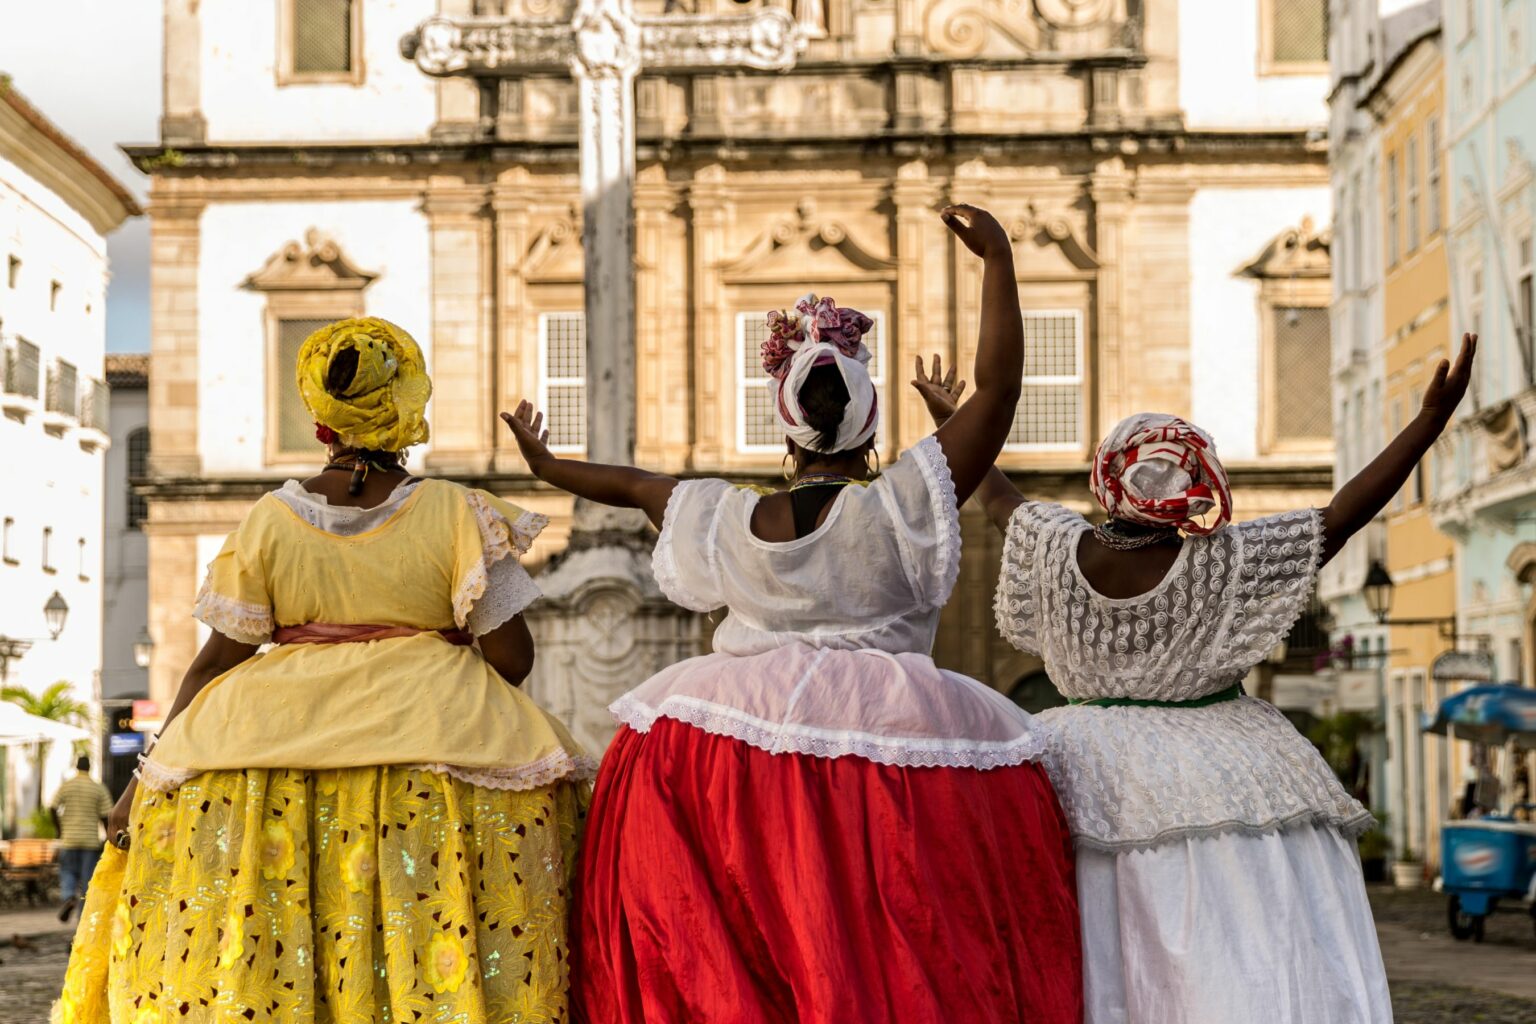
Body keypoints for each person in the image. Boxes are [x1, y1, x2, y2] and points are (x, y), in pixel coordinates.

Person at [502, 205, 1083, 1024]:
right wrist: (996, 259)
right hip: (894, 735)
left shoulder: (723, 516)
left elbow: (633, 483)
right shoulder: (901, 502)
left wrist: (549, 463)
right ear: (870, 421)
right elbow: (1002, 390)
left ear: (787, 424)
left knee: (756, 933)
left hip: (729, 741)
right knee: (890, 935)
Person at [913, 333, 1477, 1024]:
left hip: (1072, 765)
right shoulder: (1226, 562)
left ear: (1107, 478)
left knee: (1088, 932)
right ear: (1196, 488)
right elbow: (1343, 514)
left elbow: (995, 496)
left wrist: (952, 422)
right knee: (1237, 942)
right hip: (1226, 764)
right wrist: (1427, 425)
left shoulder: (1057, 545)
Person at [54, 318, 593, 1023]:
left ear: (321, 420)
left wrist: (137, 788)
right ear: (407, 404)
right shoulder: (455, 513)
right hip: (438, 749)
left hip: (264, 756)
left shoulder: (270, 520)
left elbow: (215, 663)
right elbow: (512, 661)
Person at [51, 755, 112, 924]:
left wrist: (58, 829)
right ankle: (83, 917)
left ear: (77, 767)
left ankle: (69, 896)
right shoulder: (98, 788)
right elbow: (106, 815)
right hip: (90, 841)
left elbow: (52, 807)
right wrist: (108, 837)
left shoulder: (67, 786)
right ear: (90, 767)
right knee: (87, 880)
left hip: (69, 839)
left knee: (67, 872)